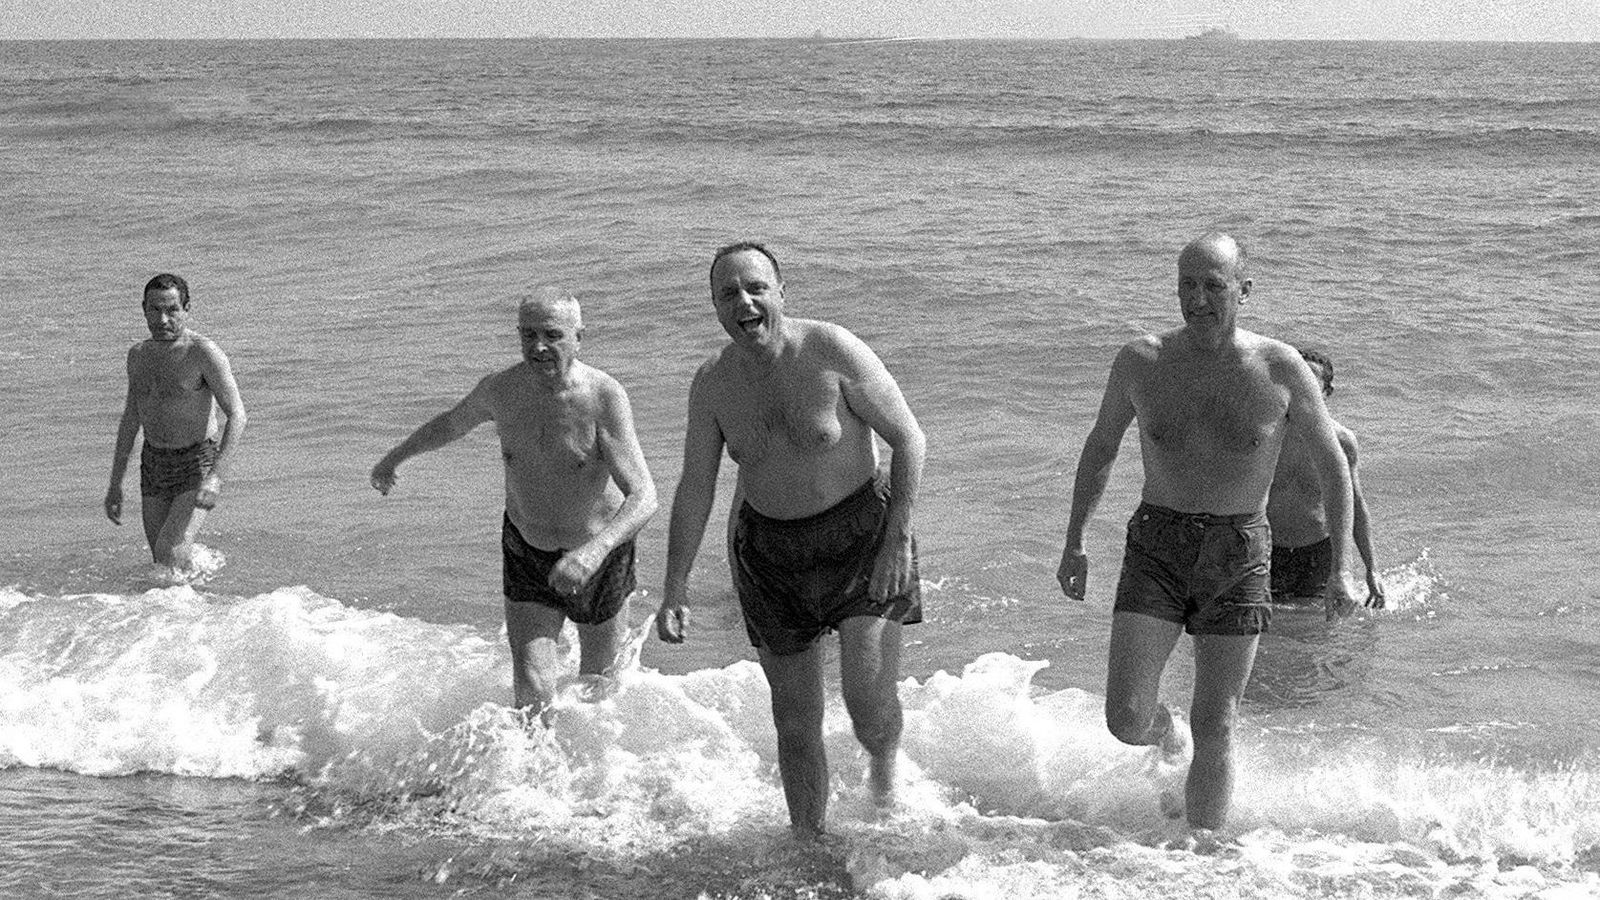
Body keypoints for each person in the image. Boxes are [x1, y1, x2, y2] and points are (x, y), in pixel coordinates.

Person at [1055, 232, 1356, 833]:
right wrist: (1076, 539)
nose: (1197, 299)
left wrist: (1342, 568)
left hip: (1240, 551)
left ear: (1243, 290)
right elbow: (1101, 447)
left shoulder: (1279, 367)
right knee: (1124, 717)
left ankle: (1206, 861)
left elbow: (1333, 467)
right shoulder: (1141, 361)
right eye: (1186, 285)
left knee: (1219, 719)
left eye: (1213, 286)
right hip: (1156, 546)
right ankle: (1168, 736)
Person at [655, 242, 926, 840]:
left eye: (756, 288)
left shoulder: (831, 350)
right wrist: (674, 584)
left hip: (862, 539)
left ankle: (885, 772)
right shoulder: (713, 384)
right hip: (770, 557)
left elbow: (909, 440)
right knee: (795, 724)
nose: (744, 302)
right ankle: (808, 840)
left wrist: (896, 541)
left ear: (782, 292)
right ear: (716, 308)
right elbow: (696, 487)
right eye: (728, 294)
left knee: (869, 712)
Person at [371, 290, 657, 714]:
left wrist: (594, 552)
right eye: (527, 335)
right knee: (531, 683)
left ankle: (590, 776)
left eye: (552, 335)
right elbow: (450, 424)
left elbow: (645, 495)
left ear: (579, 338)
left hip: (598, 553)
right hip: (527, 548)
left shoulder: (603, 397)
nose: (538, 347)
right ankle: (533, 778)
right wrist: (394, 458)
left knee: (598, 687)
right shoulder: (501, 390)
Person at [105, 274, 248, 572]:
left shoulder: (203, 352)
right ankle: (192, 611)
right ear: (143, 308)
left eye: (172, 310)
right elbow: (131, 420)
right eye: (154, 310)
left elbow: (237, 415)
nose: (163, 319)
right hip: (154, 464)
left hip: (196, 462)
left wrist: (216, 477)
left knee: (169, 553)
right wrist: (116, 484)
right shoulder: (138, 356)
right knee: (163, 562)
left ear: (186, 308)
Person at [1268, 349, 1386, 607]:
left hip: (1318, 552)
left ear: (1326, 392)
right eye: (1298, 382)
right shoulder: (1266, 435)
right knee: (1268, 636)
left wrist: (1371, 569)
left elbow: (1355, 505)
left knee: (1317, 636)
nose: (1302, 391)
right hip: (1267, 551)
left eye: (1311, 384)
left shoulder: (1341, 441)